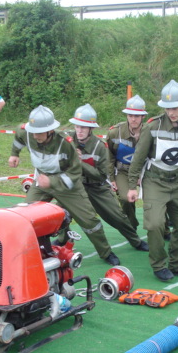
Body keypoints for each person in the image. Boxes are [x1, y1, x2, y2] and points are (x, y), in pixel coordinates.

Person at [9, 105, 120, 266]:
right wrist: (14, 154)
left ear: (50, 130)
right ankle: (27, 250)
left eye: (39, 132)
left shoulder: (66, 144)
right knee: (27, 215)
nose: (35, 135)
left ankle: (106, 252)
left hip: (68, 184)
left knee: (89, 220)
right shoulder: (27, 132)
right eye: (33, 131)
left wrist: (52, 182)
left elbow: (75, 173)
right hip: (41, 181)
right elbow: (19, 138)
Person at [127, 79, 178, 281]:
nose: (172, 112)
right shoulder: (152, 127)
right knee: (155, 224)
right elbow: (138, 157)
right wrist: (132, 185)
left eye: (175, 107)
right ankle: (158, 265)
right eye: (167, 108)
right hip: (155, 180)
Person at [67, 103, 148, 251]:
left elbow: (100, 175)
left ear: (91, 128)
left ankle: (135, 240)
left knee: (117, 217)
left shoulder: (99, 146)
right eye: (77, 126)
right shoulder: (67, 142)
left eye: (83, 127)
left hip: (97, 187)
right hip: (75, 186)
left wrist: (80, 163)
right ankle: (61, 241)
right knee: (61, 214)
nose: (79, 130)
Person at [106, 95, 148, 229]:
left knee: (156, 199)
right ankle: (131, 226)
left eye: (137, 115)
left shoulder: (150, 132)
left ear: (143, 117)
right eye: (130, 115)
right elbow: (109, 157)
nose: (133, 119)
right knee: (125, 199)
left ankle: (163, 229)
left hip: (145, 171)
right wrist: (111, 178)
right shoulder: (115, 132)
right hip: (123, 170)